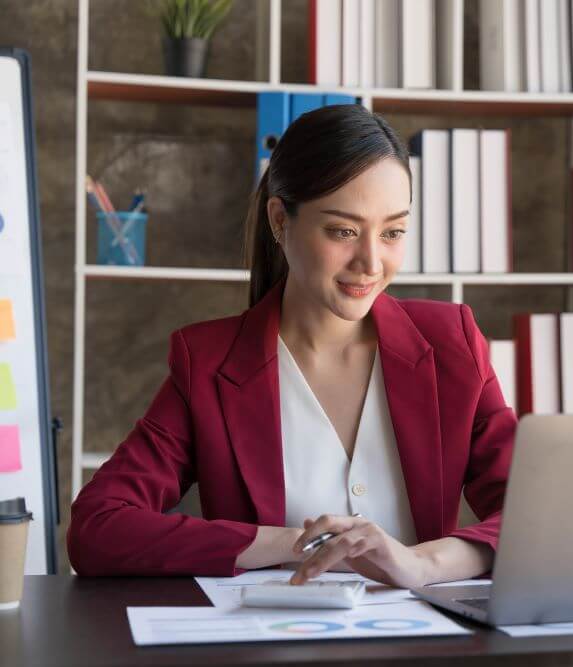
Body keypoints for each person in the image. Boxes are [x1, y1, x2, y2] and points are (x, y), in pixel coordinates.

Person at [67, 104, 516, 588]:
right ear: (280, 221)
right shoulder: (209, 364)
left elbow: (534, 514)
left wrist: (422, 564)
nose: (371, 261)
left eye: (393, 233)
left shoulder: (452, 343)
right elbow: (97, 527)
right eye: (343, 231)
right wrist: (293, 544)